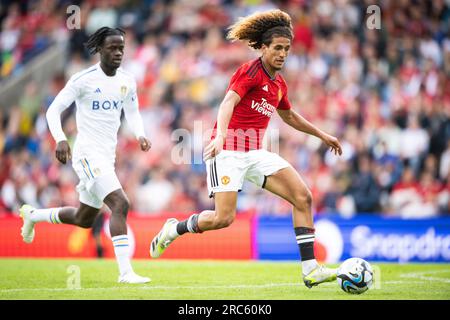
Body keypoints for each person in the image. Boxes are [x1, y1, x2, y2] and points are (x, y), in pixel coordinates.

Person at [150, 10, 343, 288]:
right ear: (263, 48)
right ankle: (174, 229)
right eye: (277, 48)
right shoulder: (250, 71)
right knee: (222, 219)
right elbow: (228, 102)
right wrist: (219, 136)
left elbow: (288, 116)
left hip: (256, 153)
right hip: (227, 151)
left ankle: (310, 269)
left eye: (286, 49)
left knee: (303, 197)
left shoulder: (279, 84)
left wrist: (322, 135)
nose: (282, 54)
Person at [19, 27, 151, 284]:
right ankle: (126, 273)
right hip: (87, 155)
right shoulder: (83, 80)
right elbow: (53, 111)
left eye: (121, 48)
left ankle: (33, 216)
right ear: (99, 49)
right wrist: (59, 138)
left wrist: (140, 134)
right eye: (112, 48)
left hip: (106, 156)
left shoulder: (127, 81)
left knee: (84, 218)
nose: (118, 52)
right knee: (120, 204)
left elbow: (133, 112)